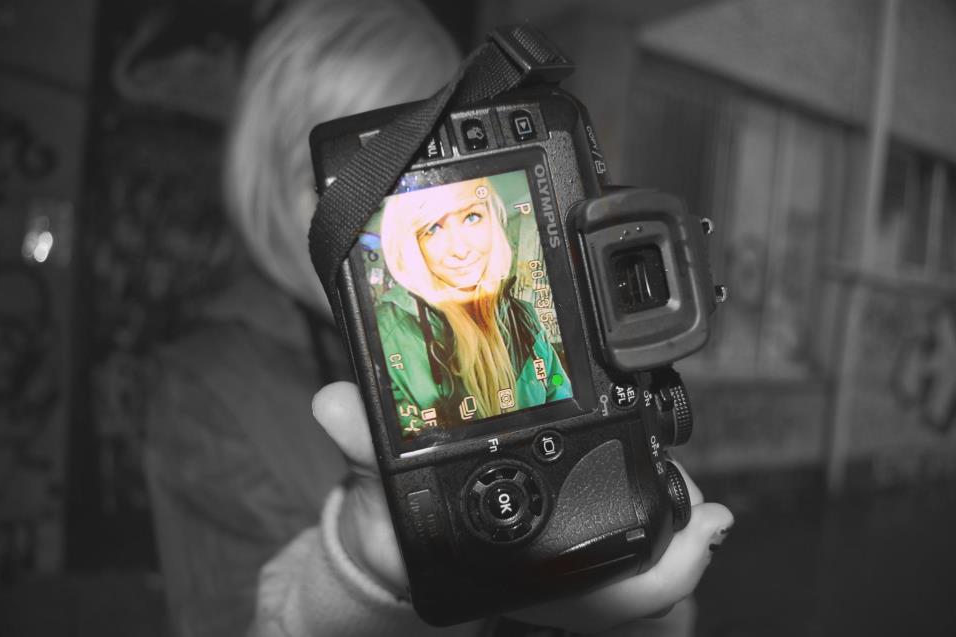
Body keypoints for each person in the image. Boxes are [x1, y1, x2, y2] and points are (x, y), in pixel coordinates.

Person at [146, 0, 734, 635]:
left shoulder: (521, 314)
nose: (456, 246)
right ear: (282, 184)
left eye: (434, 165)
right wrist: (360, 569)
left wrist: (630, 605)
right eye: (362, 179)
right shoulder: (207, 389)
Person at [373, 176, 570, 435]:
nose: (460, 249)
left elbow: (557, 385)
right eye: (432, 229)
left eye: (472, 217)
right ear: (412, 244)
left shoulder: (524, 315)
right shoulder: (386, 334)